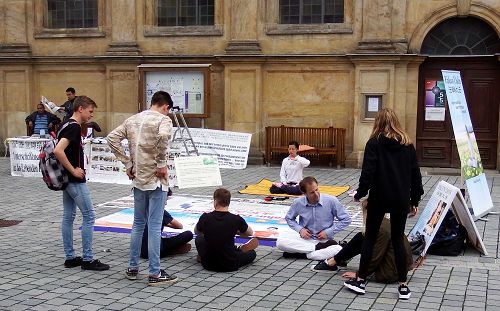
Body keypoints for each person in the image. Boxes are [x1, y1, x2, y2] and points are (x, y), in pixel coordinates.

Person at [344, 108, 423, 300]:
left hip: (379, 197)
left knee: (370, 238)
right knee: (397, 239)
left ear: (378, 123)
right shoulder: (408, 145)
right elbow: (415, 175)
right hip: (400, 199)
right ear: (396, 121)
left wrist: (360, 193)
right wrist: (415, 200)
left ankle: (361, 281)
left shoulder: (374, 143)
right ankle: (403, 286)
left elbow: (368, 173)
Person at [107, 90, 177, 286]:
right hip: (156, 177)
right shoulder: (164, 120)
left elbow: (111, 138)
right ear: (166, 107)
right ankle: (154, 273)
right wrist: (162, 163)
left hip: (138, 177)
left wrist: (128, 163)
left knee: (138, 224)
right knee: (154, 226)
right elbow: (163, 137)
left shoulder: (132, 119)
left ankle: (132, 267)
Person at [53, 95, 109, 271]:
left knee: (68, 216)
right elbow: (58, 150)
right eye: (90, 111)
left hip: (65, 179)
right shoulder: (74, 127)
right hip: (74, 179)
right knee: (89, 215)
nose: (91, 115)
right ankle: (88, 259)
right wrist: (73, 170)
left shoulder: (65, 124)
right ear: (80, 109)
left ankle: (70, 257)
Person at [311, 200, 414, 284]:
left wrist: (360, 274)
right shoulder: (384, 222)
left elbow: (375, 256)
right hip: (397, 268)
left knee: (362, 238)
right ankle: (337, 259)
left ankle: (333, 261)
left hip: (390, 273)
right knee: (362, 236)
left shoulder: (380, 228)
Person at [276, 176, 351, 260]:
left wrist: (328, 231)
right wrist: (300, 230)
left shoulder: (331, 200)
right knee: (280, 243)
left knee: (338, 249)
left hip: (325, 241)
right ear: (304, 193)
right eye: (312, 192)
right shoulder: (298, 203)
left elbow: (346, 219)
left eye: (317, 190)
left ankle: (301, 254)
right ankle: (316, 248)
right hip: (304, 240)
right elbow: (289, 218)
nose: (316, 194)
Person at [194, 188, 259, 272]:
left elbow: (196, 231)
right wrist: (235, 231)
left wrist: (210, 229)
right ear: (229, 202)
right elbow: (249, 233)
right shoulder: (236, 219)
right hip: (229, 264)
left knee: (199, 239)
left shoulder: (205, 217)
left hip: (208, 264)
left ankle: (203, 255)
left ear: (215, 201)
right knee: (252, 254)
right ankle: (238, 249)